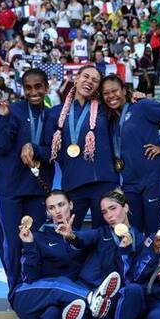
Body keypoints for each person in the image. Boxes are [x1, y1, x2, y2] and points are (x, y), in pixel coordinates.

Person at [12, 190, 121, 319]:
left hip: (61, 303)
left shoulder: (81, 238)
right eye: (51, 208)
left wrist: (72, 236)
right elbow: (30, 277)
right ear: (47, 212)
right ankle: (90, 299)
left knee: (58, 314)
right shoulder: (38, 235)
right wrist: (29, 245)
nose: (57, 211)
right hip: (30, 296)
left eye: (61, 205)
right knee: (60, 284)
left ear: (71, 205)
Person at [0, 68, 55, 294]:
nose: (33, 92)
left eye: (38, 87)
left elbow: (54, 153)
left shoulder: (53, 116)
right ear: (22, 89)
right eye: (28, 87)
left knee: (34, 240)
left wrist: (35, 149)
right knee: (11, 242)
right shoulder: (13, 110)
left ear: (46, 88)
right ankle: (14, 291)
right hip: (9, 188)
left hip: (37, 189)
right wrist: (3, 119)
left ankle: (31, 289)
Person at [101, 74, 160, 235]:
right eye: (106, 93)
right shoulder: (110, 119)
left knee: (158, 231)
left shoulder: (142, 106)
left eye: (114, 90)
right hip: (130, 184)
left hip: (153, 179)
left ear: (124, 90)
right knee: (135, 233)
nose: (111, 96)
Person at [42, 65, 119, 229]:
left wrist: (136, 96)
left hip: (104, 184)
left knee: (104, 236)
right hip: (74, 184)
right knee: (70, 234)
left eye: (95, 80)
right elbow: (49, 149)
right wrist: (31, 148)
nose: (89, 81)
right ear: (76, 78)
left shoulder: (106, 110)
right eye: (86, 76)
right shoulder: (55, 113)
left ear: (98, 87)